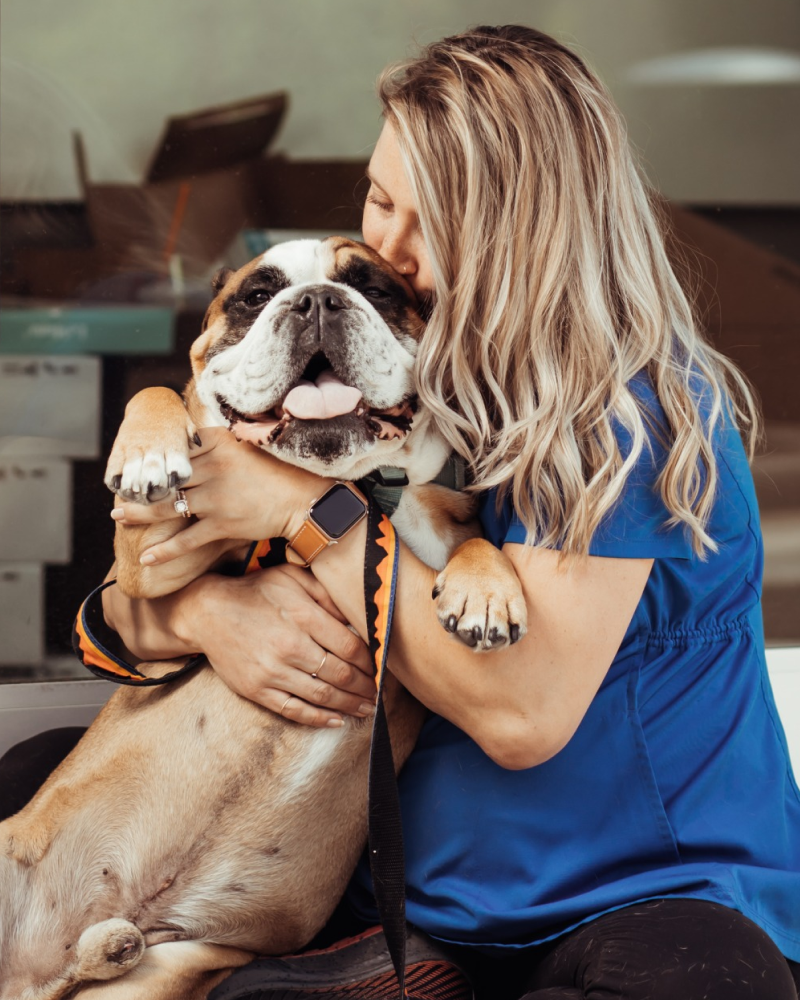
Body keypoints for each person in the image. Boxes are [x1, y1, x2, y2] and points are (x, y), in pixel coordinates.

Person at [5, 24, 799, 1000]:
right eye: (381, 199)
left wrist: (303, 510)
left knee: (703, 983)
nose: (385, 247)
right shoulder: (389, 376)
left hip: (627, 889)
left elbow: (519, 712)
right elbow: (124, 608)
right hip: (400, 893)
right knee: (33, 770)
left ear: (527, 227)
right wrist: (210, 614)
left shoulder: (627, 404)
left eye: (433, 223)